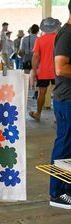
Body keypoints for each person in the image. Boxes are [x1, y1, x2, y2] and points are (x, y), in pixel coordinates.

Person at [49, 1, 71, 208]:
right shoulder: (67, 34)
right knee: (64, 145)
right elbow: (60, 68)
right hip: (67, 99)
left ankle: (67, 189)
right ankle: (56, 193)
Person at [29, 17, 61, 122]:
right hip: (58, 70)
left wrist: (34, 71)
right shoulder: (58, 38)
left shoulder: (40, 40)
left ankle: (38, 113)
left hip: (43, 71)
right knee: (58, 93)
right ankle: (57, 117)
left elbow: (35, 57)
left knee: (42, 92)